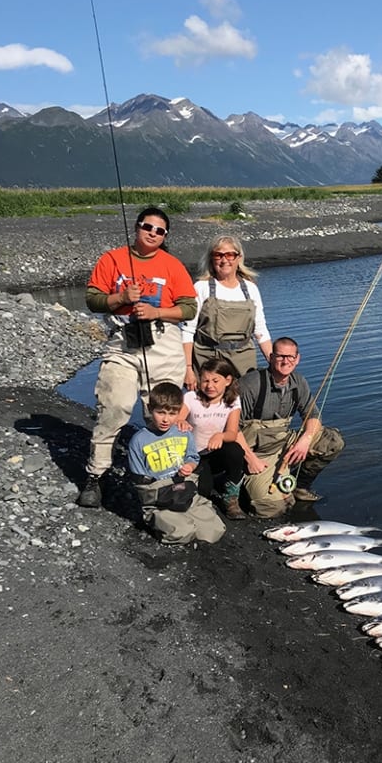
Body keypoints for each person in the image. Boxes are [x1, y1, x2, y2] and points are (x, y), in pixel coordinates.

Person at [77, 206, 197, 509]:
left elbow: (189, 308)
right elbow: (93, 299)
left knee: (160, 414)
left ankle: (166, 475)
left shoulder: (172, 265)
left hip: (163, 345)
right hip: (123, 344)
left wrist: (158, 311)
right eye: (148, 227)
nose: (153, 233)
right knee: (114, 406)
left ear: (165, 235)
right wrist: (120, 298)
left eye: (160, 230)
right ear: (137, 227)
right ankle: (96, 475)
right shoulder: (112, 259)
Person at [238, 336, 345, 519]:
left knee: (332, 441)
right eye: (280, 356)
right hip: (255, 453)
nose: (286, 361)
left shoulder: (299, 382)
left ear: (298, 359)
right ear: (271, 357)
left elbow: (313, 416)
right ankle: (242, 486)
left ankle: (301, 487)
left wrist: (305, 439)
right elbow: (230, 428)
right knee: (274, 509)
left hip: (282, 444)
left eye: (290, 357)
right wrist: (250, 458)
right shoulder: (251, 384)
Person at [127, 382, 225, 546]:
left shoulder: (184, 432)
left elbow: (193, 457)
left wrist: (190, 466)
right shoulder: (138, 440)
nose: (166, 419)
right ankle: (154, 520)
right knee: (182, 532)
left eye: (172, 414)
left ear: (179, 413)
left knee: (215, 531)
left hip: (184, 490)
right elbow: (139, 481)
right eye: (161, 413)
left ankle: (188, 518)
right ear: (150, 409)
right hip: (159, 499)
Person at [181, 234, 272, 386]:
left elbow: (261, 330)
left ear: (238, 258)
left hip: (244, 362)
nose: (224, 260)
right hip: (208, 362)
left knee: (244, 406)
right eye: (218, 255)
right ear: (211, 259)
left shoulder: (251, 289)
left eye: (230, 254)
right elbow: (187, 331)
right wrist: (188, 368)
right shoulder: (201, 287)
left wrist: (273, 361)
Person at [178, 356, 247, 520]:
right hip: (194, 455)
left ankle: (231, 498)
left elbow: (232, 433)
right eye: (205, 381)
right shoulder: (190, 398)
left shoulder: (233, 401)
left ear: (228, 380)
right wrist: (180, 422)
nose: (210, 386)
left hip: (216, 452)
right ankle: (212, 482)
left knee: (236, 451)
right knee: (204, 491)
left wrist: (220, 435)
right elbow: (178, 419)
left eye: (216, 381)